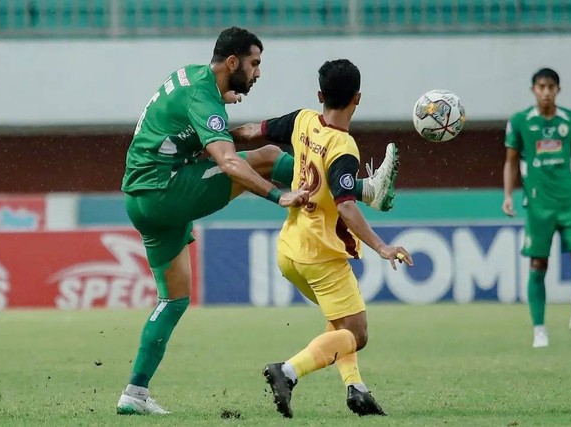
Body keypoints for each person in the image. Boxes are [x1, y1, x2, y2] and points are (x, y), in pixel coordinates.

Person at [117, 28, 399, 415]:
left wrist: (222, 105)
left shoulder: (193, 79)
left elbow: (186, 128)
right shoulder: (205, 98)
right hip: (166, 192)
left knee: (174, 299)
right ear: (232, 62)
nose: (258, 73)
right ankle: (364, 189)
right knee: (265, 155)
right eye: (254, 64)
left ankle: (134, 393)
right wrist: (276, 194)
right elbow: (229, 162)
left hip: (140, 198)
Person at [233, 59, 413, 418]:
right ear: (357, 98)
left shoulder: (303, 119)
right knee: (357, 333)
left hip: (290, 249)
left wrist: (213, 137)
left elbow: (254, 130)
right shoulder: (343, 146)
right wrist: (382, 246)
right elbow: (346, 207)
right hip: (323, 255)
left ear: (320, 95)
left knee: (339, 323)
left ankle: (356, 389)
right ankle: (287, 371)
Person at [503, 67, 571, 348]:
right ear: (534, 90)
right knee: (538, 263)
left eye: (551, 87)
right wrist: (508, 195)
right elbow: (511, 161)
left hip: (569, 202)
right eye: (541, 86)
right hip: (538, 204)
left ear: (558, 90)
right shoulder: (520, 122)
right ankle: (539, 329)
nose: (546, 92)